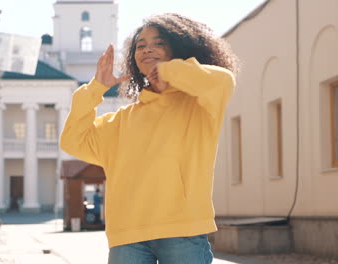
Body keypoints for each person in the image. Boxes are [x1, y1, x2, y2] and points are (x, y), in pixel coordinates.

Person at [60, 13, 238, 264]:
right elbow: (72, 141)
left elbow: (222, 81)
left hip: (182, 232)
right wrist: (95, 89)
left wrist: (168, 71)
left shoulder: (199, 105)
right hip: (127, 237)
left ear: (179, 47)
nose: (147, 49)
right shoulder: (121, 120)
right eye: (140, 45)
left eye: (158, 42)